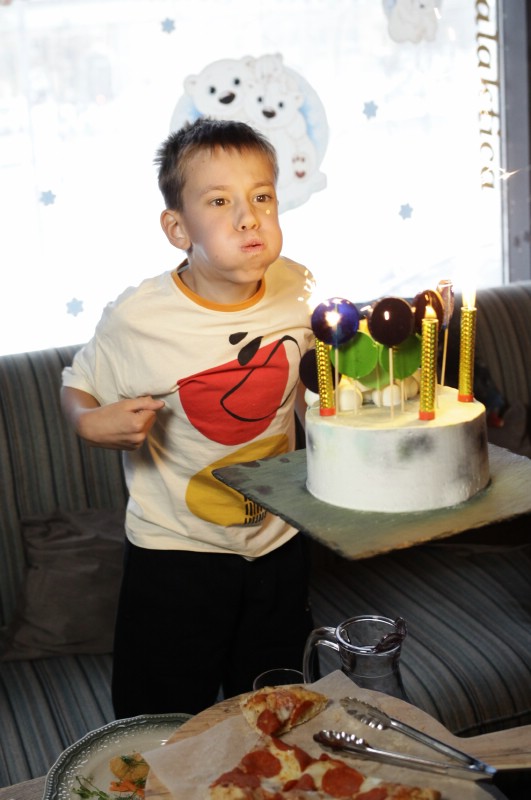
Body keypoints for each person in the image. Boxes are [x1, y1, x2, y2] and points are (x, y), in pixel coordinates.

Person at [61, 117, 316, 718]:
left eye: (262, 197)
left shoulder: (297, 286)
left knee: (276, 719)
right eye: (220, 201)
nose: (248, 218)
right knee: (162, 726)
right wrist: (88, 423)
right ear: (178, 228)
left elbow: (312, 386)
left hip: (279, 544)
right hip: (175, 556)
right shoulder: (139, 318)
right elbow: (79, 384)